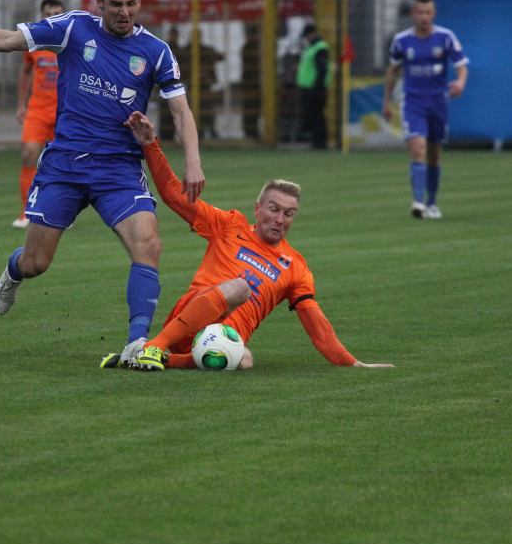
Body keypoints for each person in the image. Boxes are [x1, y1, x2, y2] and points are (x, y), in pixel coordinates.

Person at [0, 0, 205, 354]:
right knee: (36, 263)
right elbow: (7, 40)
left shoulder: (155, 51)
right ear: (98, 1)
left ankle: (138, 341)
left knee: (148, 244)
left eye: (132, 3)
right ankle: (13, 272)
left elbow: (181, 111)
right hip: (65, 165)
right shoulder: (72, 28)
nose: (124, 12)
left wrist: (194, 161)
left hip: (118, 168)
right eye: (115, 3)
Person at [101, 111, 394, 372]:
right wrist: (150, 145)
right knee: (240, 286)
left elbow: (316, 324)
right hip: (186, 323)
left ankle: (156, 360)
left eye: (289, 213)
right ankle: (155, 346)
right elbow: (173, 196)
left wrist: (350, 361)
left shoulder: (296, 268)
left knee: (244, 359)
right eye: (274, 209)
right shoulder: (230, 225)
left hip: (221, 343)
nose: (280, 219)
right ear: (258, 208)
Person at [381, 0, 469, 219]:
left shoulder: (445, 37)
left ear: (434, 15)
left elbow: (461, 66)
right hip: (413, 102)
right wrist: (386, 101)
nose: (424, 17)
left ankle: (432, 203)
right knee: (417, 148)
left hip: (438, 102)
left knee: (434, 155)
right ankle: (418, 202)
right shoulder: (402, 41)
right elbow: (392, 71)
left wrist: (460, 82)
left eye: (428, 13)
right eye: (420, 12)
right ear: (413, 15)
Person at [12, 0, 65, 229]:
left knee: (61, 163)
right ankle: (26, 212)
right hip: (37, 109)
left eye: (57, 14)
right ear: (42, 16)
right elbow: (24, 73)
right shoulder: (34, 43)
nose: (52, 18)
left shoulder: (70, 42)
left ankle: (59, 213)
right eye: (48, 14)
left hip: (64, 112)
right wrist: (21, 104)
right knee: (29, 154)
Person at [297, 24, 331, 149]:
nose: (307, 38)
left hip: (316, 88)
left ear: (313, 33)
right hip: (309, 87)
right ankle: (317, 141)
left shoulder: (320, 48)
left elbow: (322, 70)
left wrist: (317, 88)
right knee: (313, 115)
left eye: (308, 36)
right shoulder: (311, 47)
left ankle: (320, 142)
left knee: (317, 116)